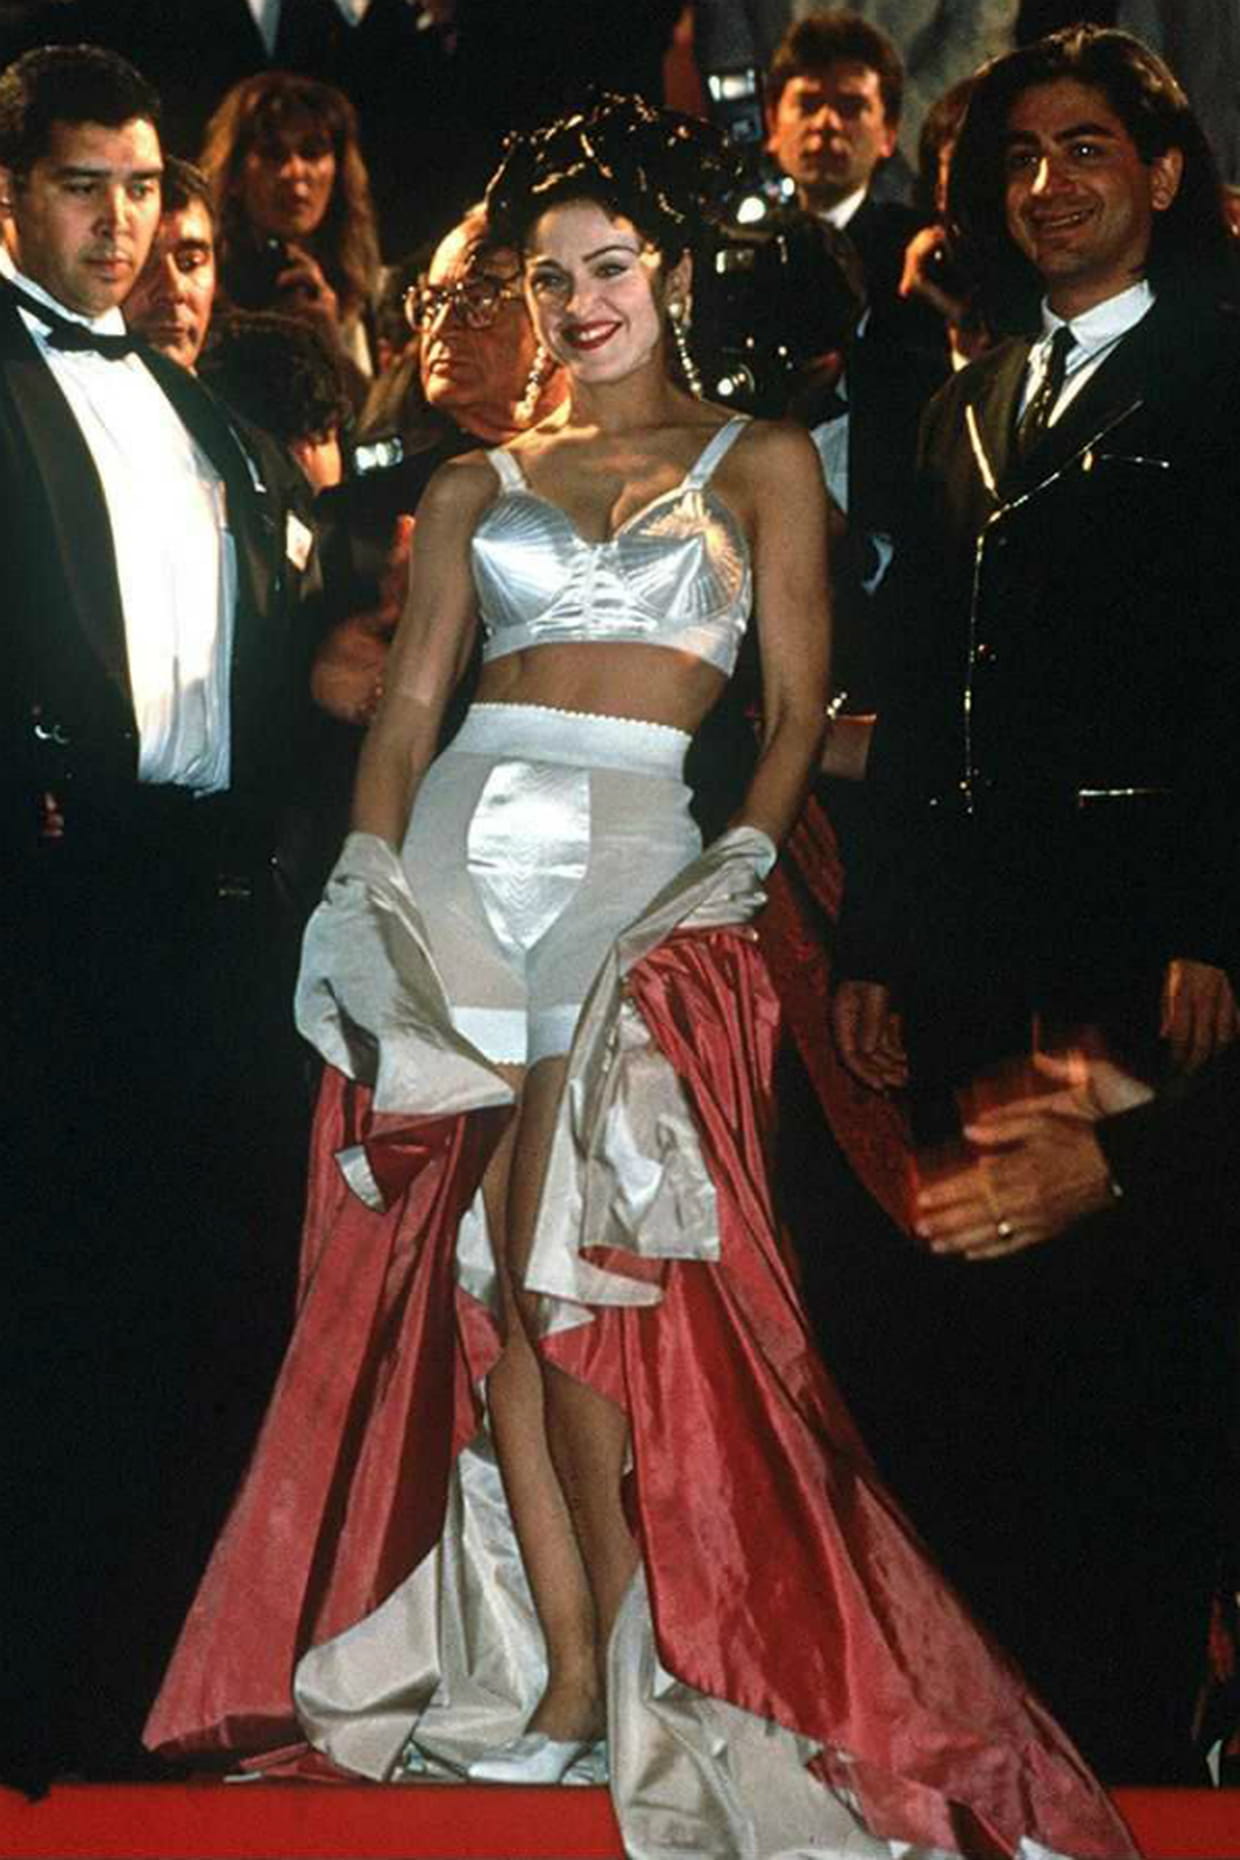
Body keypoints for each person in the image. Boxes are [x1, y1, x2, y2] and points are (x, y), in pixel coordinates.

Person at [146, 91, 1133, 1860]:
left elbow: (797, 702)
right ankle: (563, 1678)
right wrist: (366, 873)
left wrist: (740, 857)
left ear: (668, 273)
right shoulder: (476, 479)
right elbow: (411, 706)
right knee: (487, 1285)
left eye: (607, 266)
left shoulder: (762, 461)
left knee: (564, 1268)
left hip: (636, 874)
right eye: (550, 277)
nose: (580, 300)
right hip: (458, 868)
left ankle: (629, 1661)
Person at [832, 25, 1240, 1779]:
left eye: (1086, 151)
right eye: (1018, 158)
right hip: (971, 944)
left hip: (1148, 935)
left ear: (1164, 174)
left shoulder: (1222, 365)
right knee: (979, 1357)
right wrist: (876, 941)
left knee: (1137, 1346)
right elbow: (919, 701)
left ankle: (1142, 1755)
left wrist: (1219, 922)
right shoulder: (961, 408)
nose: (1049, 185)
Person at [0, 42, 320, 1789]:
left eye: (141, 190)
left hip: (209, 906)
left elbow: (258, 656)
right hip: (50, 903)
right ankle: (40, 1695)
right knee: (49, 1295)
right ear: (8, 195)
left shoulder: (199, 409)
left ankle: (151, 1691)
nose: (120, 225)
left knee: (197, 1294)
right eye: (82, 188)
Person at [763, 8, 944, 352]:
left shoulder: (920, 255)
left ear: (889, 131)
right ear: (773, 123)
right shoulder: (746, 249)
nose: (826, 123)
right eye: (808, 104)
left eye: (850, 107)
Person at [200, 70, 380, 397]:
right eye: (273, 154)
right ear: (236, 173)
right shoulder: (202, 277)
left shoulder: (361, 286)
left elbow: (379, 421)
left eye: (312, 152)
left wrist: (330, 347)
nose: (295, 172)